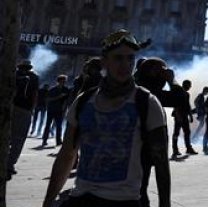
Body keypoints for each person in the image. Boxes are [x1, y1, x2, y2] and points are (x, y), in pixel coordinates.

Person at [41, 29, 171, 207]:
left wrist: (165, 204)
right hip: (81, 198)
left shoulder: (147, 103)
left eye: (130, 58)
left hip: (124, 201)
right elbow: (67, 155)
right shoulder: (84, 101)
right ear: (104, 62)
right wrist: (48, 200)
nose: (125, 65)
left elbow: (161, 163)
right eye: (118, 58)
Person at [8, 59, 39, 180]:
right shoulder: (34, 77)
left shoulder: (12, 74)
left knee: (6, 136)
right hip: (24, 110)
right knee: (19, 139)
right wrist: (32, 110)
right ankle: (10, 165)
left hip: (10, 107)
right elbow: (35, 95)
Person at [42, 74, 71, 147]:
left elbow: (67, 100)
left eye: (64, 81)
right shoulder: (52, 89)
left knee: (59, 126)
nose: (63, 83)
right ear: (58, 81)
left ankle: (58, 141)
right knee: (48, 125)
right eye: (62, 81)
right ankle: (44, 140)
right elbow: (47, 99)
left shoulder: (66, 90)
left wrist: (65, 108)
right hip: (51, 109)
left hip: (60, 110)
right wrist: (58, 97)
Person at [171, 79, 197, 159]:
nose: (190, 87)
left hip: (184, 115)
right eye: (189, 85)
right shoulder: (178, 92)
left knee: (187, 132)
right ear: (185, 85)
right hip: (179, 115)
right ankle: (175, 150)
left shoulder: (187, 94)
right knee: (176, 133)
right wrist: (178, 116)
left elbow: (188, 105)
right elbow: (175, 105)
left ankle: (188, 148)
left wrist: (191, 116)